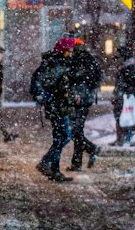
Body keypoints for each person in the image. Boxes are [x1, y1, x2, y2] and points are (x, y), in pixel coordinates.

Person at [31, 39, 76, 183]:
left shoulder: (57, 62)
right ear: (62, 51)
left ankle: (54, 169)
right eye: (68, 51)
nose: (70, 54)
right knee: (65, 136)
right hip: (57, 106)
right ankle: (47, 163)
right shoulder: (54, 64)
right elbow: (51, 84)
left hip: (58, 105)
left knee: (60, 137)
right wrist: (56, 94)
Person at [67, 39, 103, 171]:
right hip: (85, 99)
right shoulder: (88, 59)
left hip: (80, 100)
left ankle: (92, 149)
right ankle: (76, 163)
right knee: (76, 131)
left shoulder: (80, 60)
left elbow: (77, 78)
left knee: (74, 131)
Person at [111, 44, 135, 146]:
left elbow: (132, 82)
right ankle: (121, 138)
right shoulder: (126, 66)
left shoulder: (129, 67)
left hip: (127, 96)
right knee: (125, 116)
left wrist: (125, 93)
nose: (116, 57)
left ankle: (126, 139)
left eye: (118, 55)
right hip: (124, 95)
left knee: (130, 116)